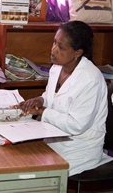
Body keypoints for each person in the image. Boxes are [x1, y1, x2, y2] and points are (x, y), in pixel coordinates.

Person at [15, 20, 108, 176]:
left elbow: (77, 125)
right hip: (53, 139)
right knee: (17, 158)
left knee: (29, 174)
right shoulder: (58, 67)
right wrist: (40, 100)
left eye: (61, 47)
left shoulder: (90, 79)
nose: (53, 50)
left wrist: (42, 112)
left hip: (79, 149)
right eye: (54, 42)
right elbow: (54, 96)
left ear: (77, 53)